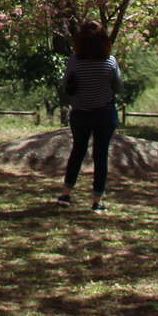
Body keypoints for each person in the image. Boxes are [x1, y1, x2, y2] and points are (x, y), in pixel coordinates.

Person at [56, 20, 122, 211]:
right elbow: (118, 86)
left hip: (80, 113)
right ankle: (97, 200)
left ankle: (66, 194)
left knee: (77, 152)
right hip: (103, 112)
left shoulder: (75, 61)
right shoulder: (110, 61)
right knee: (100, 156)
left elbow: (66, 86)